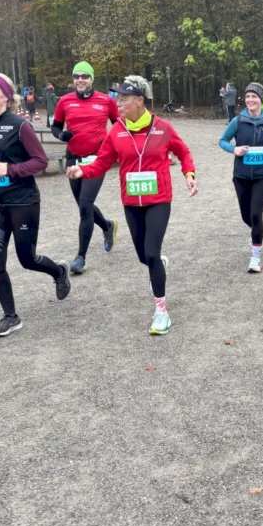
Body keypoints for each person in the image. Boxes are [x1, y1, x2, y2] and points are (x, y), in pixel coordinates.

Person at [66, 75, 197, 335]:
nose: (118, 103)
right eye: (117, 98)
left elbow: (183, 152)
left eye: (123, 99)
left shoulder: (162, 128)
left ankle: (161, 312)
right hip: (131, 202)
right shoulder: (116, 131)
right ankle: (159, 262)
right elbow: (102, 162)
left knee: (150, 252)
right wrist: (83, 171)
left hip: (159, 200)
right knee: (143, 256)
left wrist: (189, 175)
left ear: (139, 101)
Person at [0, 72, 72, 337]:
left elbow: (40, 161)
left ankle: (59, 271)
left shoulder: (20, 126)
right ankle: (10, 317)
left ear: (6, 96)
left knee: (27, 259)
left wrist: (10, 170)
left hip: (23, 202)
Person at [51, 61, 121, 274]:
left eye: (85, 76)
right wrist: (61, 135)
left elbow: (119, 124)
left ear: (92, 79)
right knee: (84, 205)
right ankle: (107, 226)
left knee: (84, 204)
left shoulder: (106, 100)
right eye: (77, 76)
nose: (80, 79)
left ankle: (80, 257)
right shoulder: (64, 101)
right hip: (73, 159)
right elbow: (55, 126)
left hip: (97, 160)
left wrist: (112, 143)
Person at [218, 82, 263, 272]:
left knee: (256, 214)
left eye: (254, 97)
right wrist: (234, 149)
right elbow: (222, 141)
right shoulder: (237, 121)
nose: (250, 100)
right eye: (247, 97)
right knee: (247, 216)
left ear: (261, 100)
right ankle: (255, 233)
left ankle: (256, 256)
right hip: (241, 176)